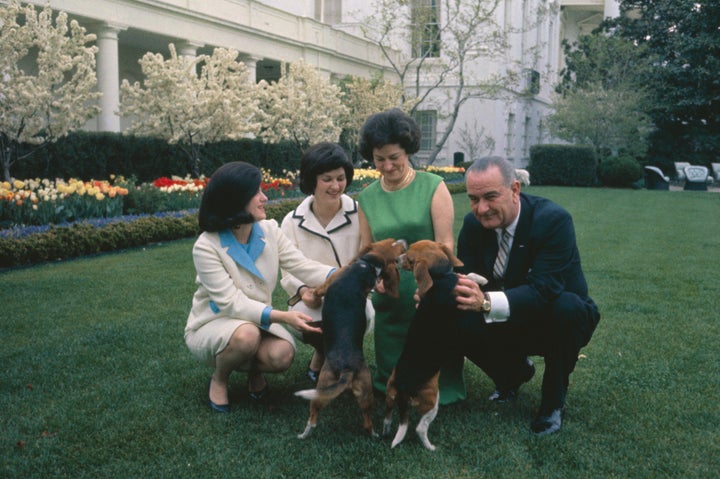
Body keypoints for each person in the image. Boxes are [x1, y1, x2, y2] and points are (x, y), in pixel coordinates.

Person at [453, 156, 600, 435]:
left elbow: (544, 289)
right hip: (504, 314)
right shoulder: (473, 225)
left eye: (490, 197)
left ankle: (552, 402)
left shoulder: (553, 220)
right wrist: (440, 292)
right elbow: (465, 274)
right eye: (473, 199)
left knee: (568, 307)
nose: (481, 209)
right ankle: (512, 374)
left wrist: (484, 302)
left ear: (515, 190)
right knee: (452, 311)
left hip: (554, 317)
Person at [184, 161, 335, 413]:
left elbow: (302, 265)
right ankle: (220, 378)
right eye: (256, 192)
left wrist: (343, 274)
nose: (264, 198)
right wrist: (283, 316)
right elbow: (231, 303)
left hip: (256, 321)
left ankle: (253, 371)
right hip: (215, 322)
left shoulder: (269, 229)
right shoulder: (206, 246)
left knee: (283, 354)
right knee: (246, 335)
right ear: (235, 198)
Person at [357, 108, 466, 405]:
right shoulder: (365, 198)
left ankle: (438, 387)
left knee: (431, 349)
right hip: (390, 293)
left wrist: (435, 288)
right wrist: (374, 281)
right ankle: (390, 383)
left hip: (428, 290)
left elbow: (445, 243)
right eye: (379, 159)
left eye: (394, 157)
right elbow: (367, 250)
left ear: (408, 150)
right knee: (394, 374)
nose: (387, 165)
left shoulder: (433, 187)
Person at [280, 142, 372, 383]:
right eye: (327, 179)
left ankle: (328, 362)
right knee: (308, 319)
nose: (336, 186)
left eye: (341, 178)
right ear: (312, 180)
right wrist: (302, 291)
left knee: (354, 315)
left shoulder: (360, 213)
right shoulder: (292, 220)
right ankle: (325, 355)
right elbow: (287, 270)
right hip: (310, 299)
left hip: (353, 296)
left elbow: (367, 261)